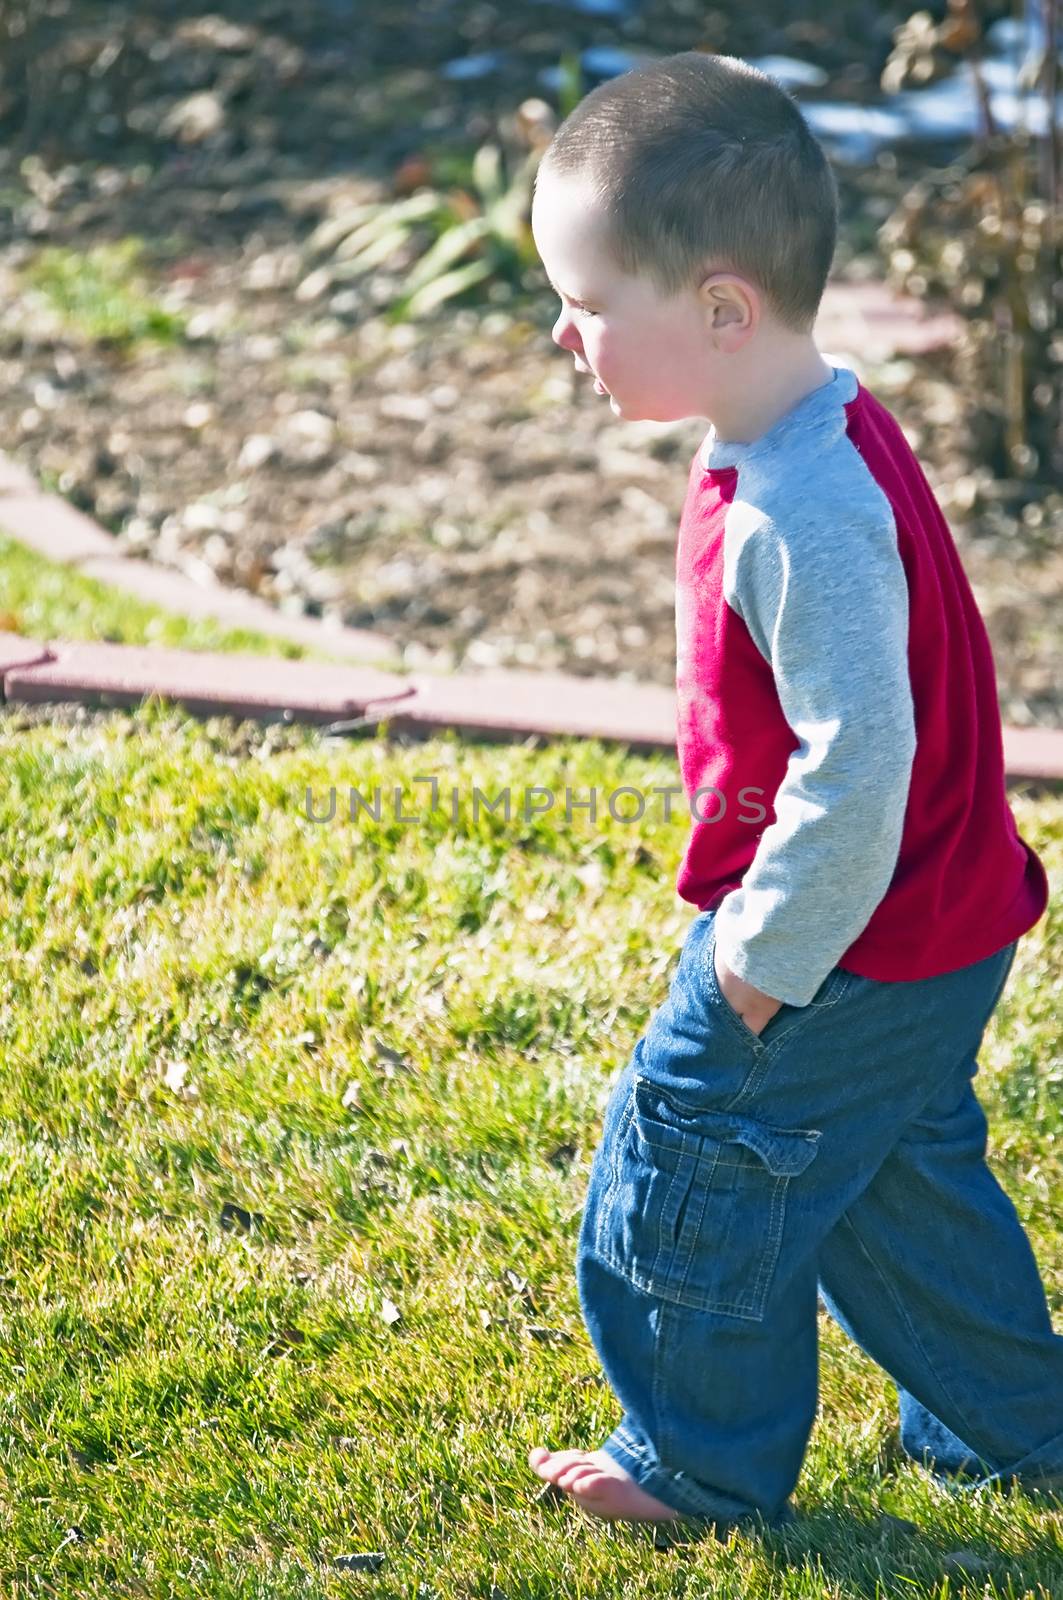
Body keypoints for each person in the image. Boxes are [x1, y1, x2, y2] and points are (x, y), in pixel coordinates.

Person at [525, 49, 1058, 1534]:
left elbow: (860, 770)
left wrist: (760, 967)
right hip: (936, 923)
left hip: (849, 936)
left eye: (585, 301)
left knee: (691, 1137)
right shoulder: (804, 431)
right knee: (894, 1180)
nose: (565, 335)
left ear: (716, 308)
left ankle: (695, 1464)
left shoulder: (801, 512)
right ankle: (1009, 1426)